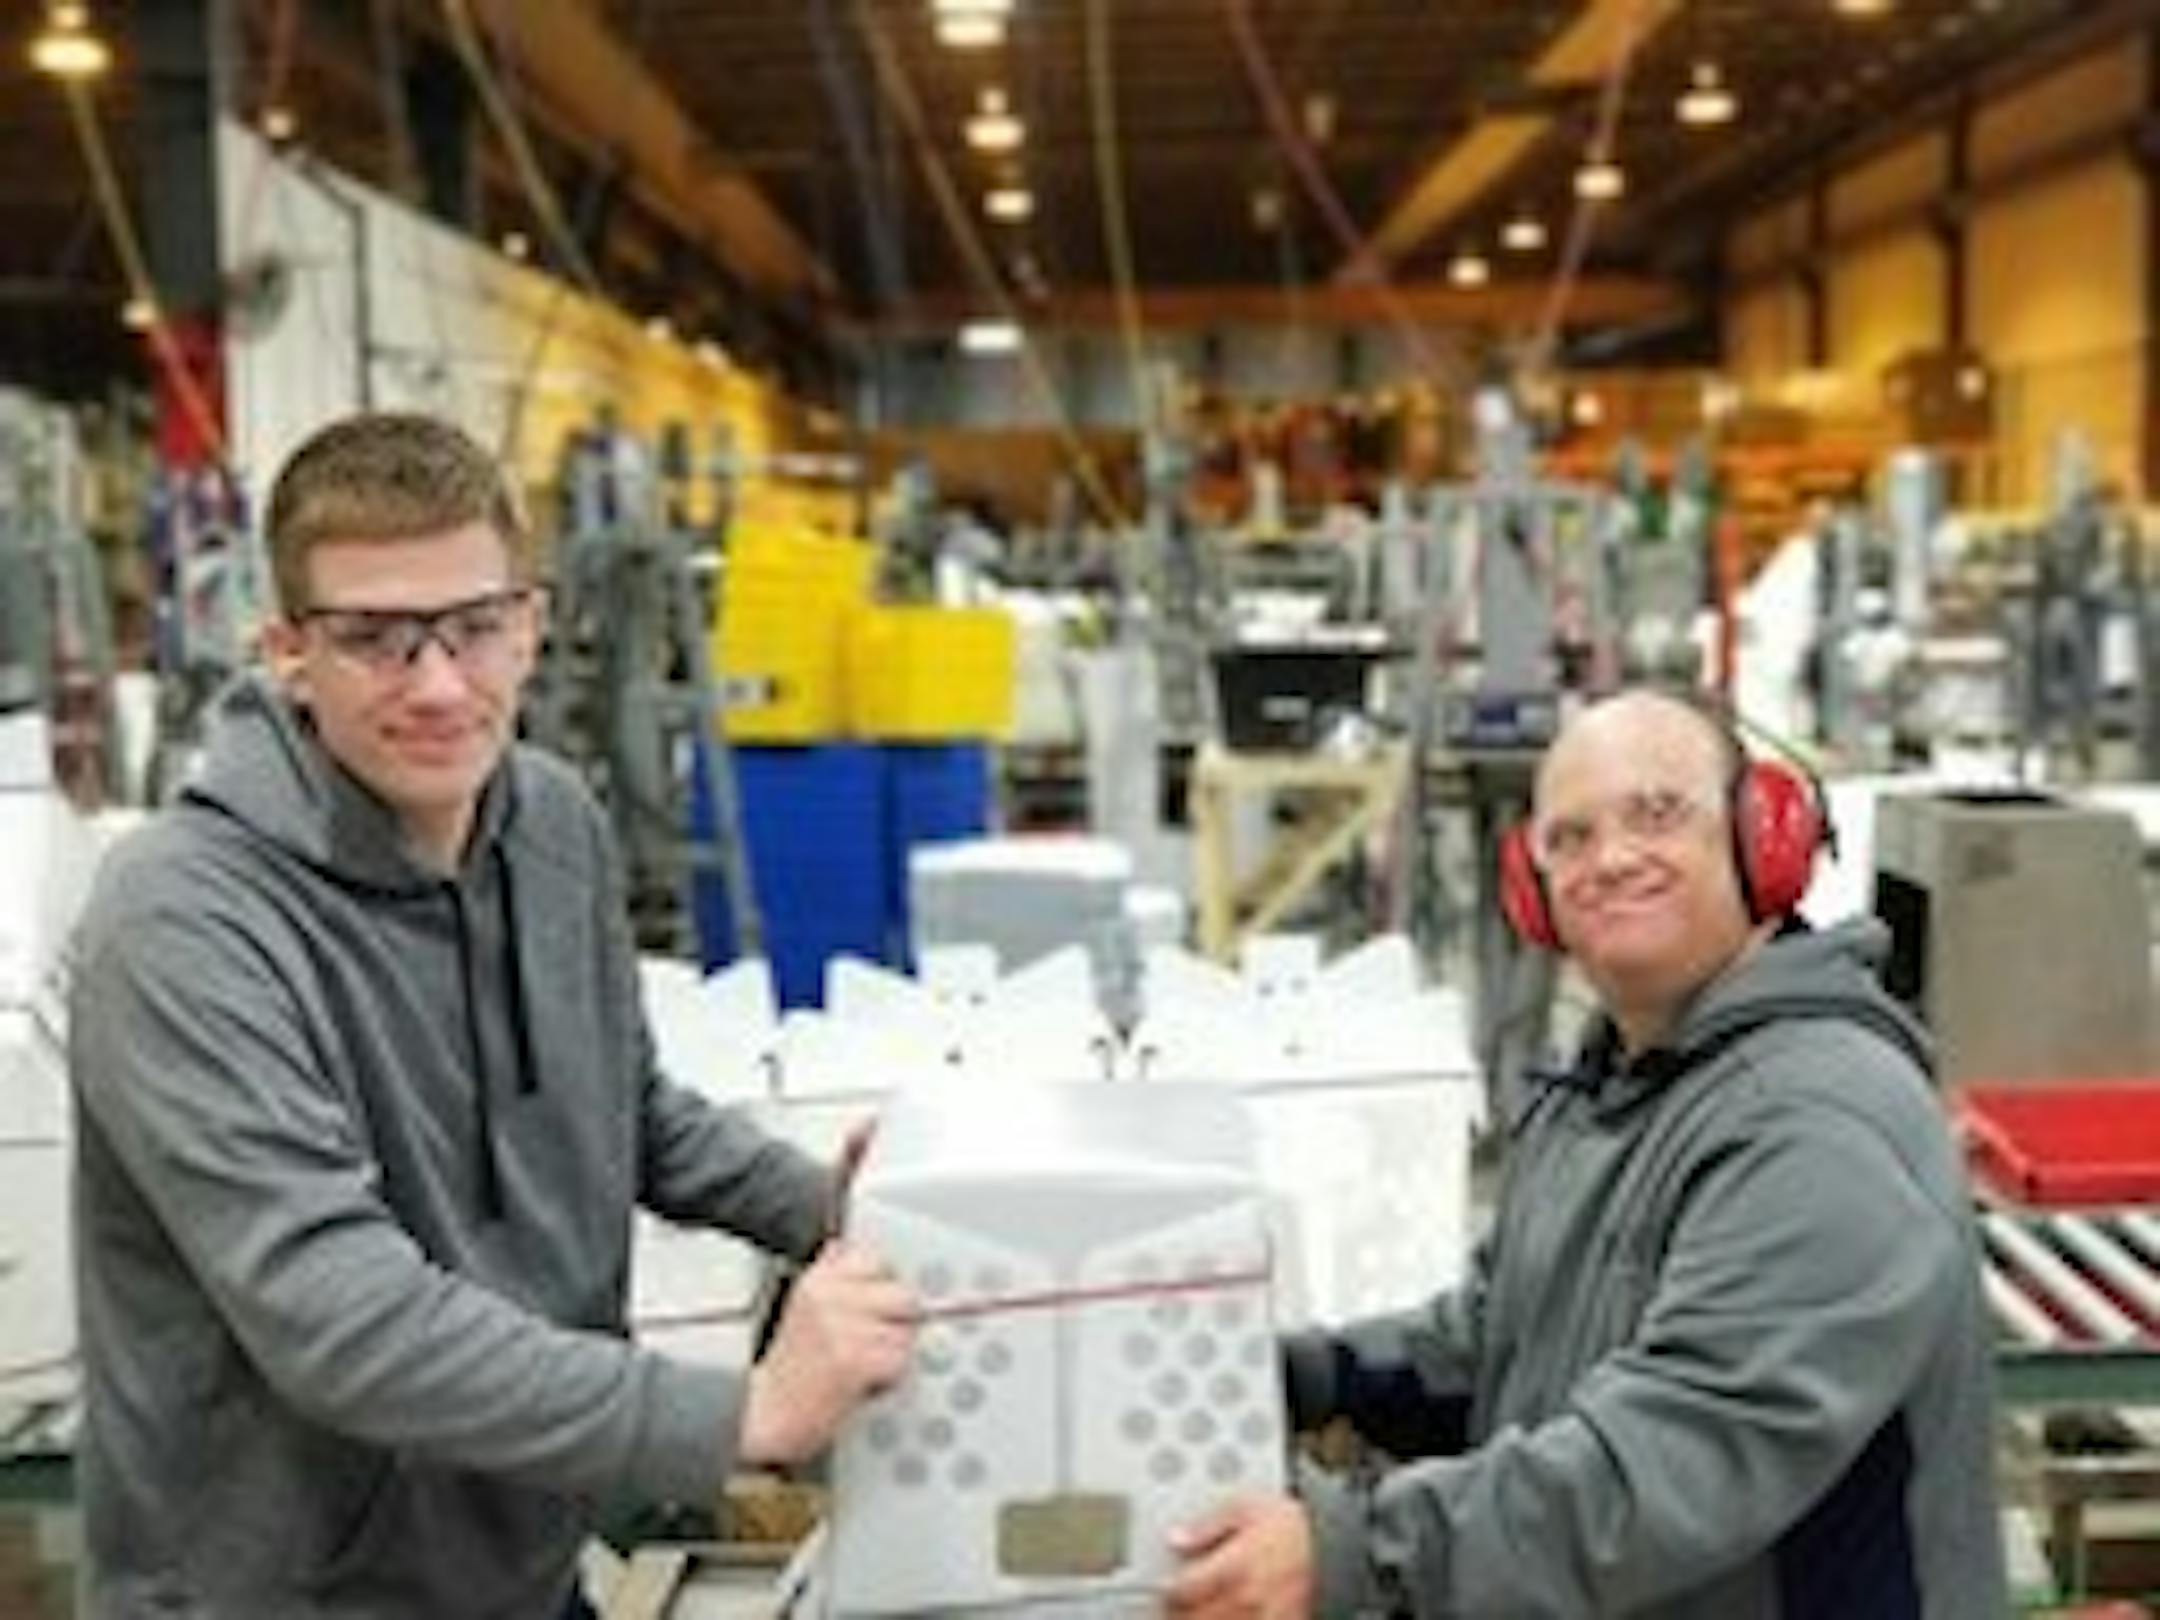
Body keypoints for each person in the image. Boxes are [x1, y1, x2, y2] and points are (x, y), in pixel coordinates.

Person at [68, 411, 916, 1618]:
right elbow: (338, 1316)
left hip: (519, 1566)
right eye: (374, 640)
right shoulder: (184, 920)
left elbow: (628, 1116)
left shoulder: (552, 823)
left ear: (530, 623)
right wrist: (745, 1413)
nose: (438, 685)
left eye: (474, 627)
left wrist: (848, 1208)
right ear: (289, 652)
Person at [1167, 687, 2006, 1618]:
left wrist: (1357, 1551)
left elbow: (1673, 1463)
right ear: (1532, 891)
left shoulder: (1815, 1119)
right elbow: (1492, 1341)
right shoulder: (1613, 1088)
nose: (1609, 859)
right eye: (1569, 838)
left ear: (1763, 838)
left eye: (1658, 814)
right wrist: (1301, 1374)